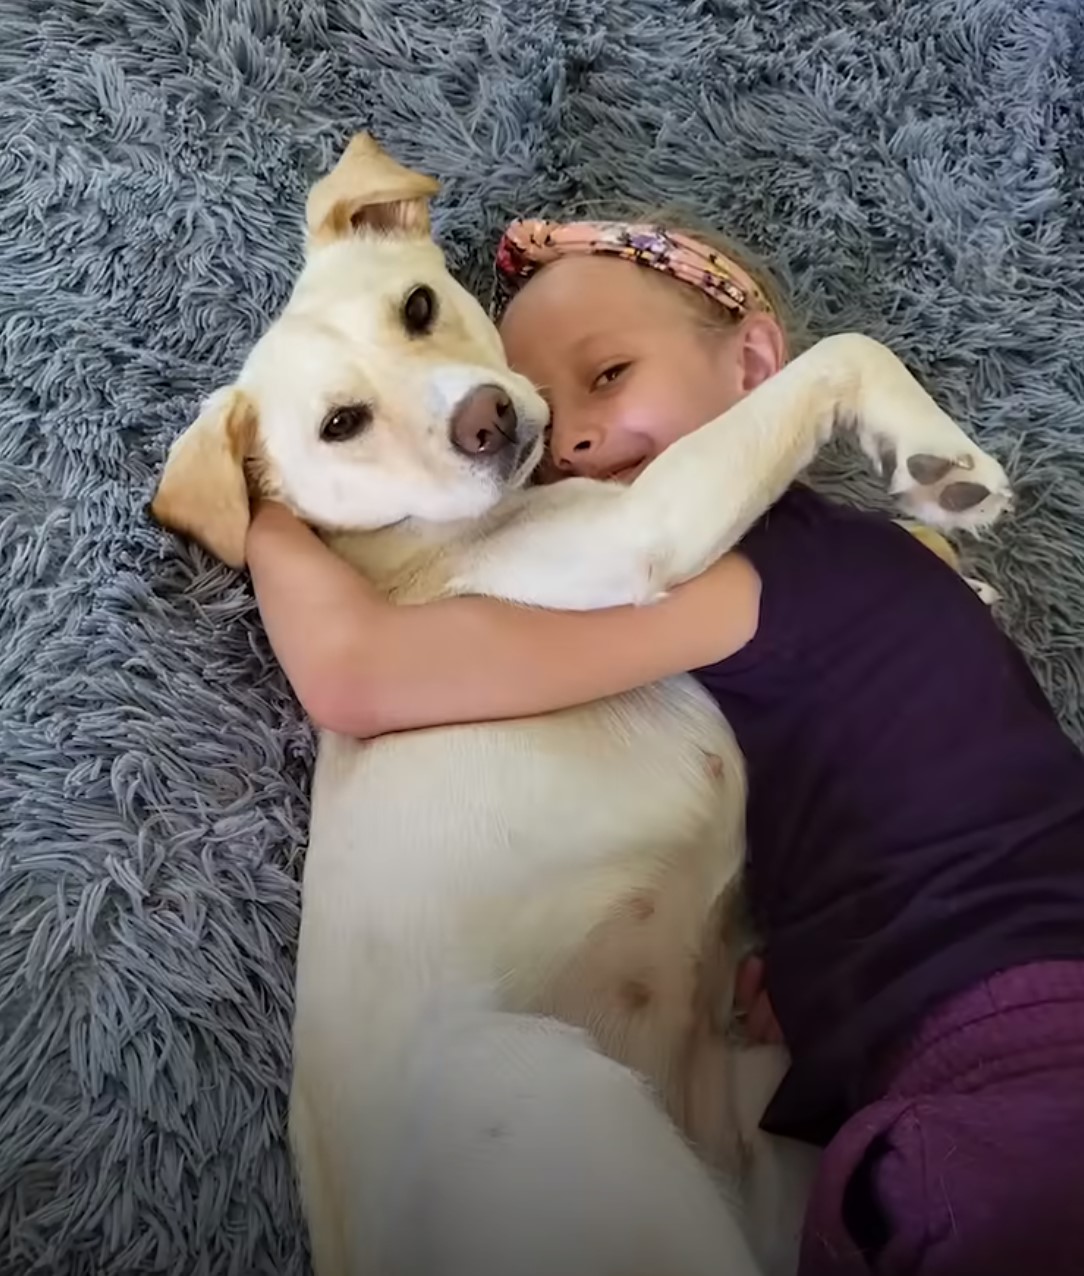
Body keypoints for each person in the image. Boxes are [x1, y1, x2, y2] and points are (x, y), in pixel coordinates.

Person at [246, 214, 1084, 1275]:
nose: (567, 439)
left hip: (1005, 1049)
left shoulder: (758, 570)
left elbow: (360, 668)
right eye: (551, 420)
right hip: (925, 1066)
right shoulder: (857, 574)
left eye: (608, 374)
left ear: (757, 365)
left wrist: (258, 498)